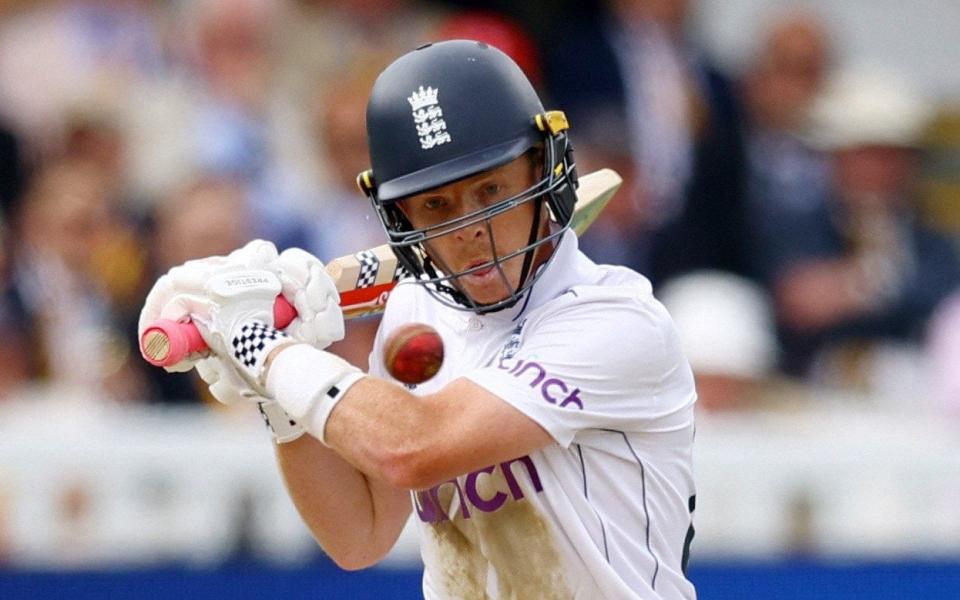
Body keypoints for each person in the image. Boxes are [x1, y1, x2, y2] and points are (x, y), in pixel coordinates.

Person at [140, 41, 697, 599]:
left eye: (491, 191)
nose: (469, 229)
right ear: (399, 215)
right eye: (437, 206)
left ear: (542, 172)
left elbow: (413, 448)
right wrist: (275, 398)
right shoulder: (416, 311)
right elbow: (359, 536)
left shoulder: (614, 322)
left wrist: (264, 347)